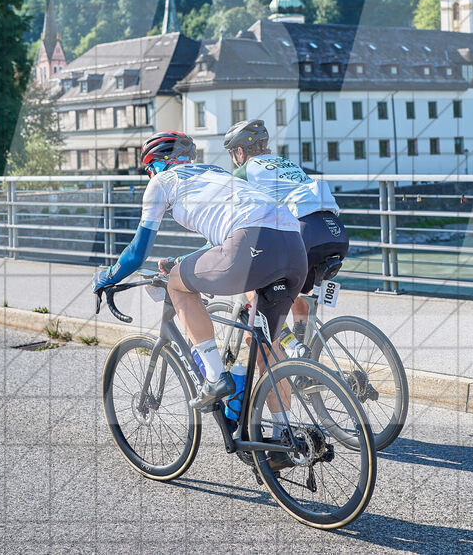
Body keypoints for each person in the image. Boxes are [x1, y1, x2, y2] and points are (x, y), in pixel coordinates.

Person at [92, 130, 307, 413]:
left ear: (157, 164)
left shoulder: (162, 182)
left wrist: (108, 276)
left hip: (251, 245)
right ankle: (284, 436)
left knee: (177, 284)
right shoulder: (216, 173)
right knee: (268, 348)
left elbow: (137, 253)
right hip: (294, 246)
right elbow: (222, 240)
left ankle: (217, 377)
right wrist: (182, 260)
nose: (149, 176)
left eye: (149, 169)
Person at [223, 119, 350, 342]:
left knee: (249, 279)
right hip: (335, 232)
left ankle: (286, 343)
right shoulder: (286, 163)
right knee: (294, 290)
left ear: (239, 151)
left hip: (303, 233)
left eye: (232, 153)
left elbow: (226, 218)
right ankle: (302, 356)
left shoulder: (244, 172)